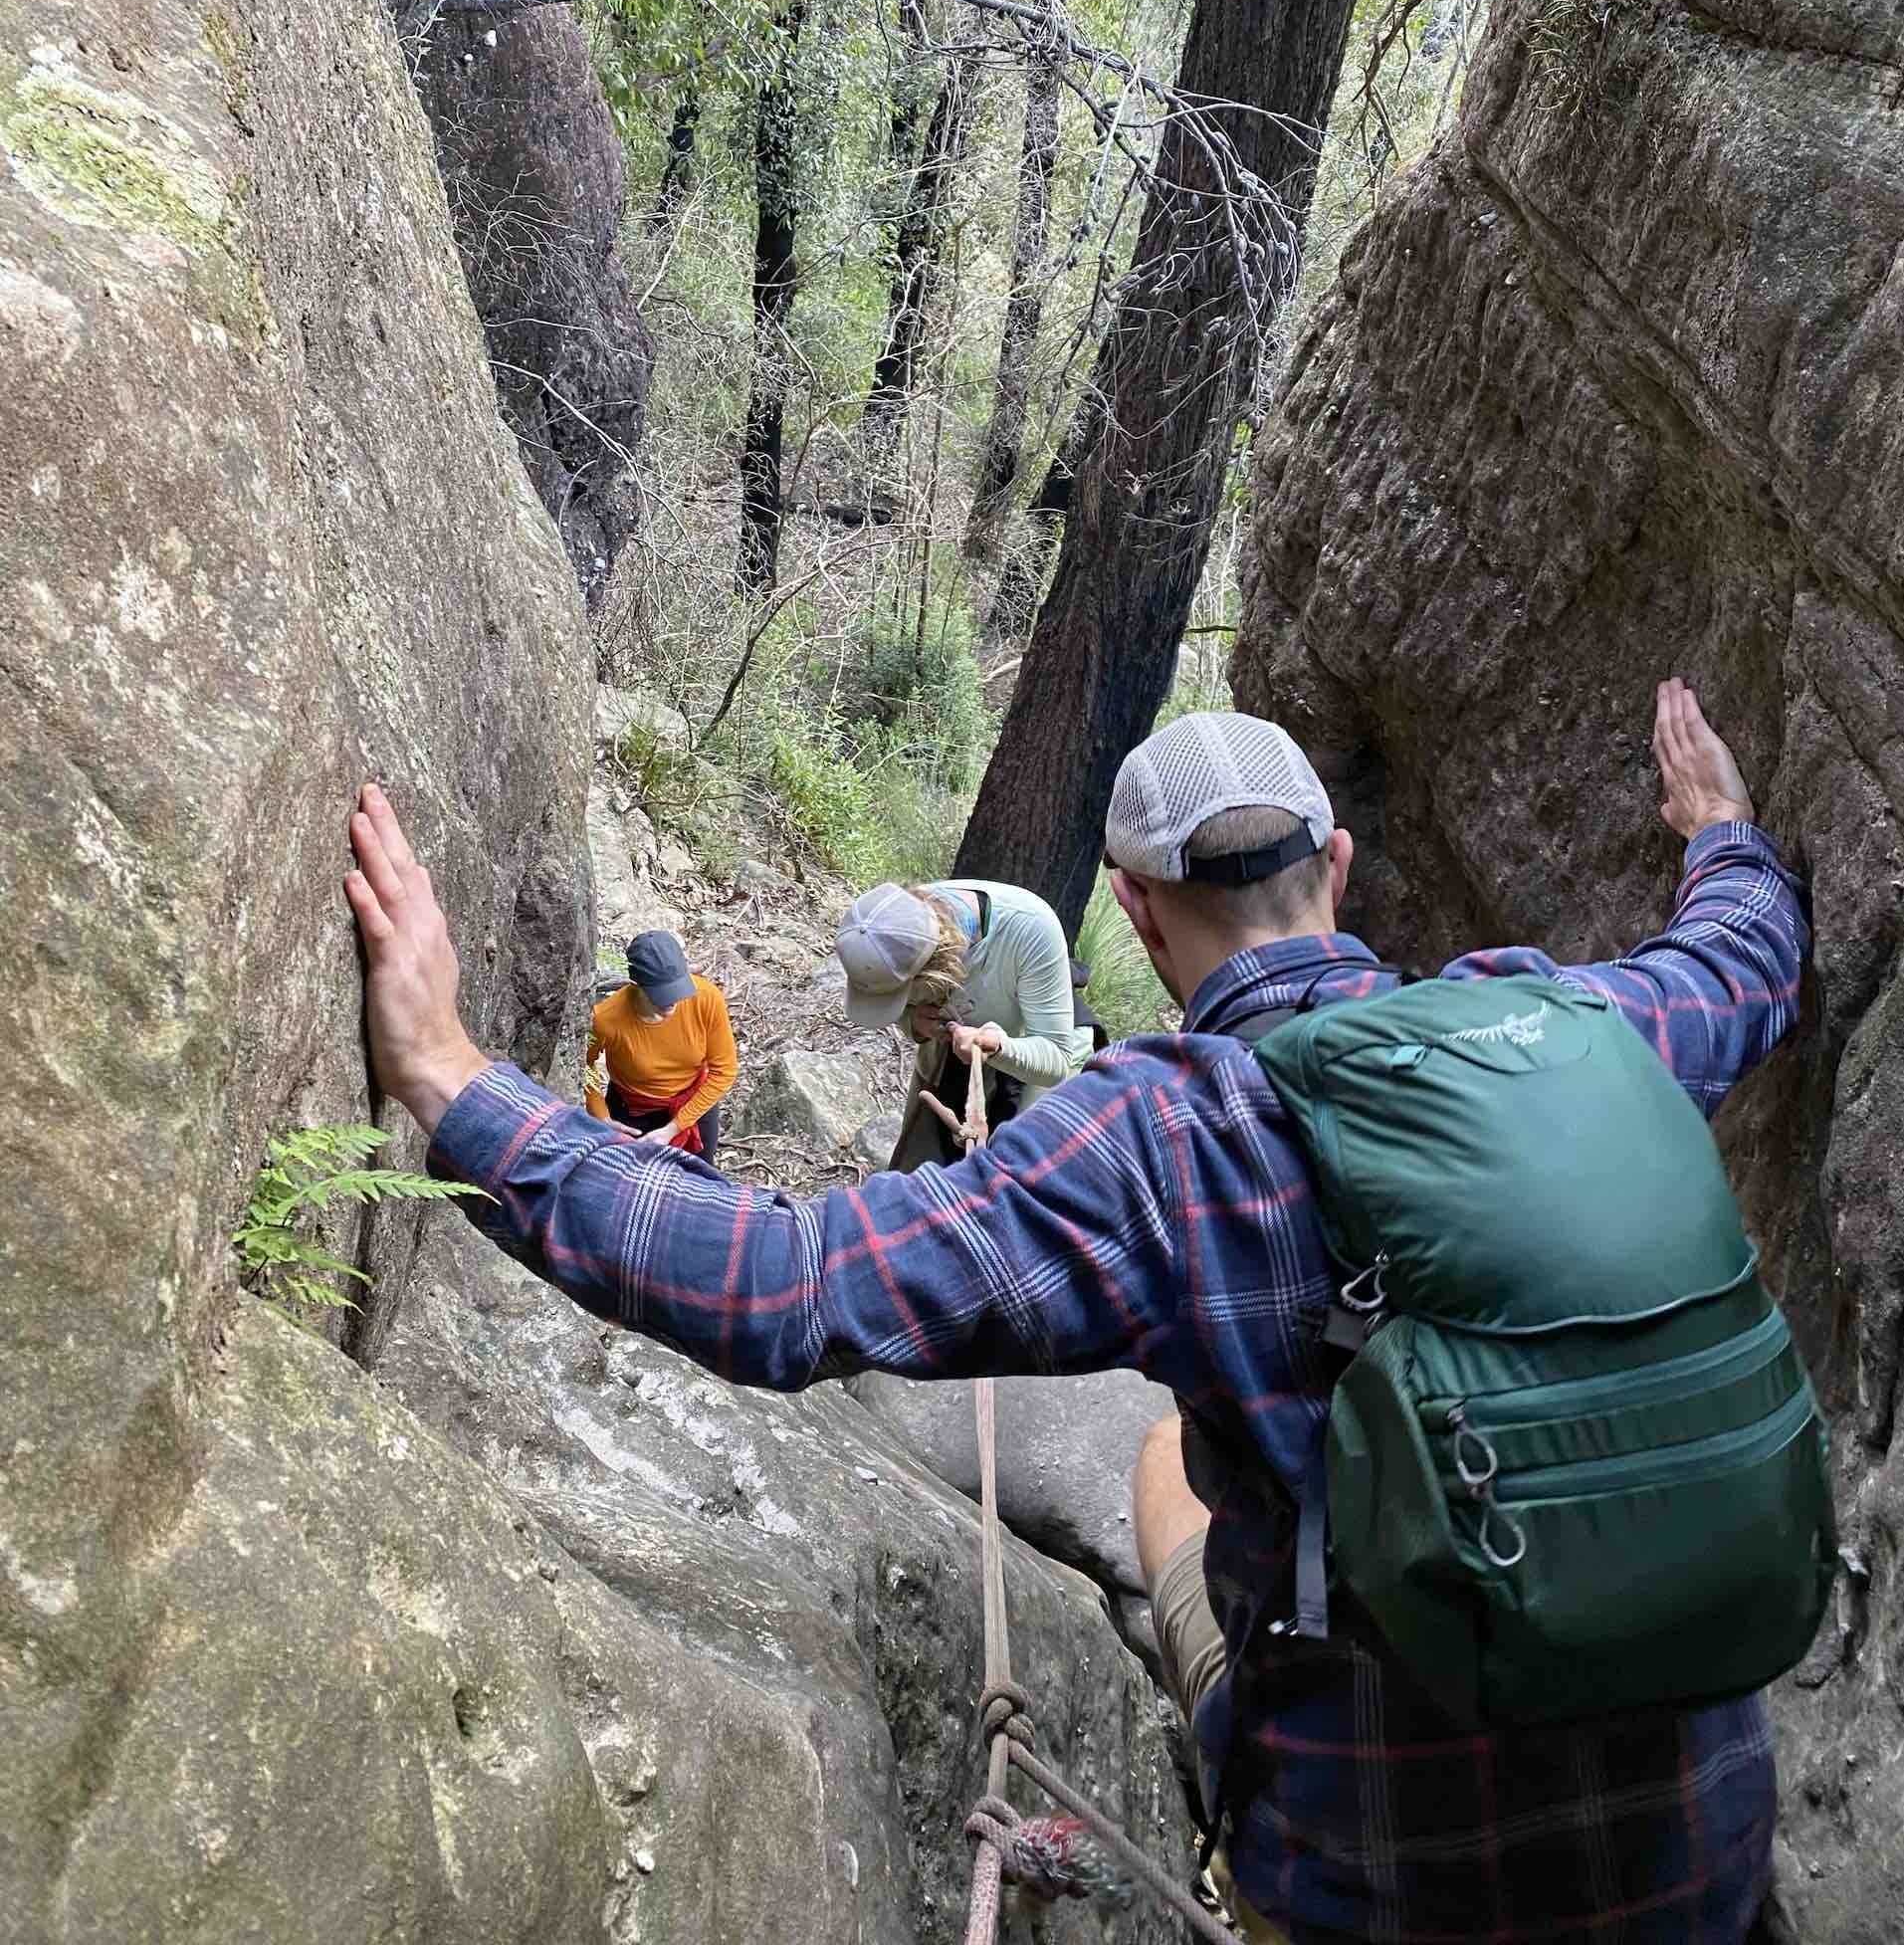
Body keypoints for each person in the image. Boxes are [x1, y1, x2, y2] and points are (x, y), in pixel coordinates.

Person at [344, 679, 1806, 1944]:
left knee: (1168, 1463)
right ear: (1338, 865)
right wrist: (1721, 830)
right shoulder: (1578, 1028)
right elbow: (1740, 964)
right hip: (1701, 1857)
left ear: (1138, 909)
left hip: (1379, 1884)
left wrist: (455, 1083)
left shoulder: (1164, 1140)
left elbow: (787, 1285)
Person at [835, 876, 1094, 1165]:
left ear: (936, 972)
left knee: (1018, 1166)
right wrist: (915, 1021)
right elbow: (900, 1008)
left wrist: (998, 1048)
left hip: (1044, 1042)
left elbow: (1056, 1060)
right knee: (919, 1160)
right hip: (962, 1040)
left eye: (904, 996)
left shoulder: (1031, 928)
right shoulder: (898, 926)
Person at [583, 929, 736, 1162]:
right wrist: (601, 1116)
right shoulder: (606, 1019)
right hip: (633, 1110)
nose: (672, 1002)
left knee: (701, 1174)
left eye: (678, 990)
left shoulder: (706, 999)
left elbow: (724, 1071)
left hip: (694, 1100)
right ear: (636, 985)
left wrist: (674, 1127)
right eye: (661, 994)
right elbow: (583, 1065)